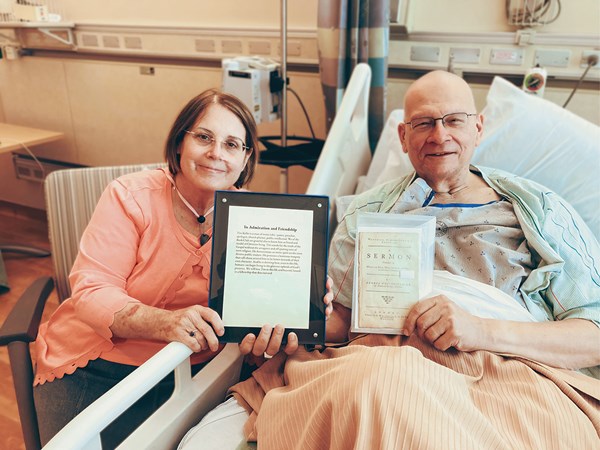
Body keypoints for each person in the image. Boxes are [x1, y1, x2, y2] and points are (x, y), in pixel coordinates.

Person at [180, 71, 600, 449]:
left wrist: (480, 330)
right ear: (403, 137)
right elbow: (339, 324)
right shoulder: (364, 213)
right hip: (375, 357)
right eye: (424, 123)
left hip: (507, 374)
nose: (439, 135)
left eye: (454, 120)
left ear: (478, 128)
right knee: (379, 381)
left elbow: (592, 335)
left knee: (383, 386)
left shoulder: (536, 209)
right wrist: (283, 317)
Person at [33, 88, 333, 449]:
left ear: (245, 159)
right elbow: (92, 290)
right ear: (179, 144)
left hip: (190, 374)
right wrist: (166, 322)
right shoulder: (130, 196)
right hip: (96, 360)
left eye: (232, 144)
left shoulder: (255, 221)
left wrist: (299, 303)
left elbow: (253, 314)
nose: (216, 154)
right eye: (204, 137)